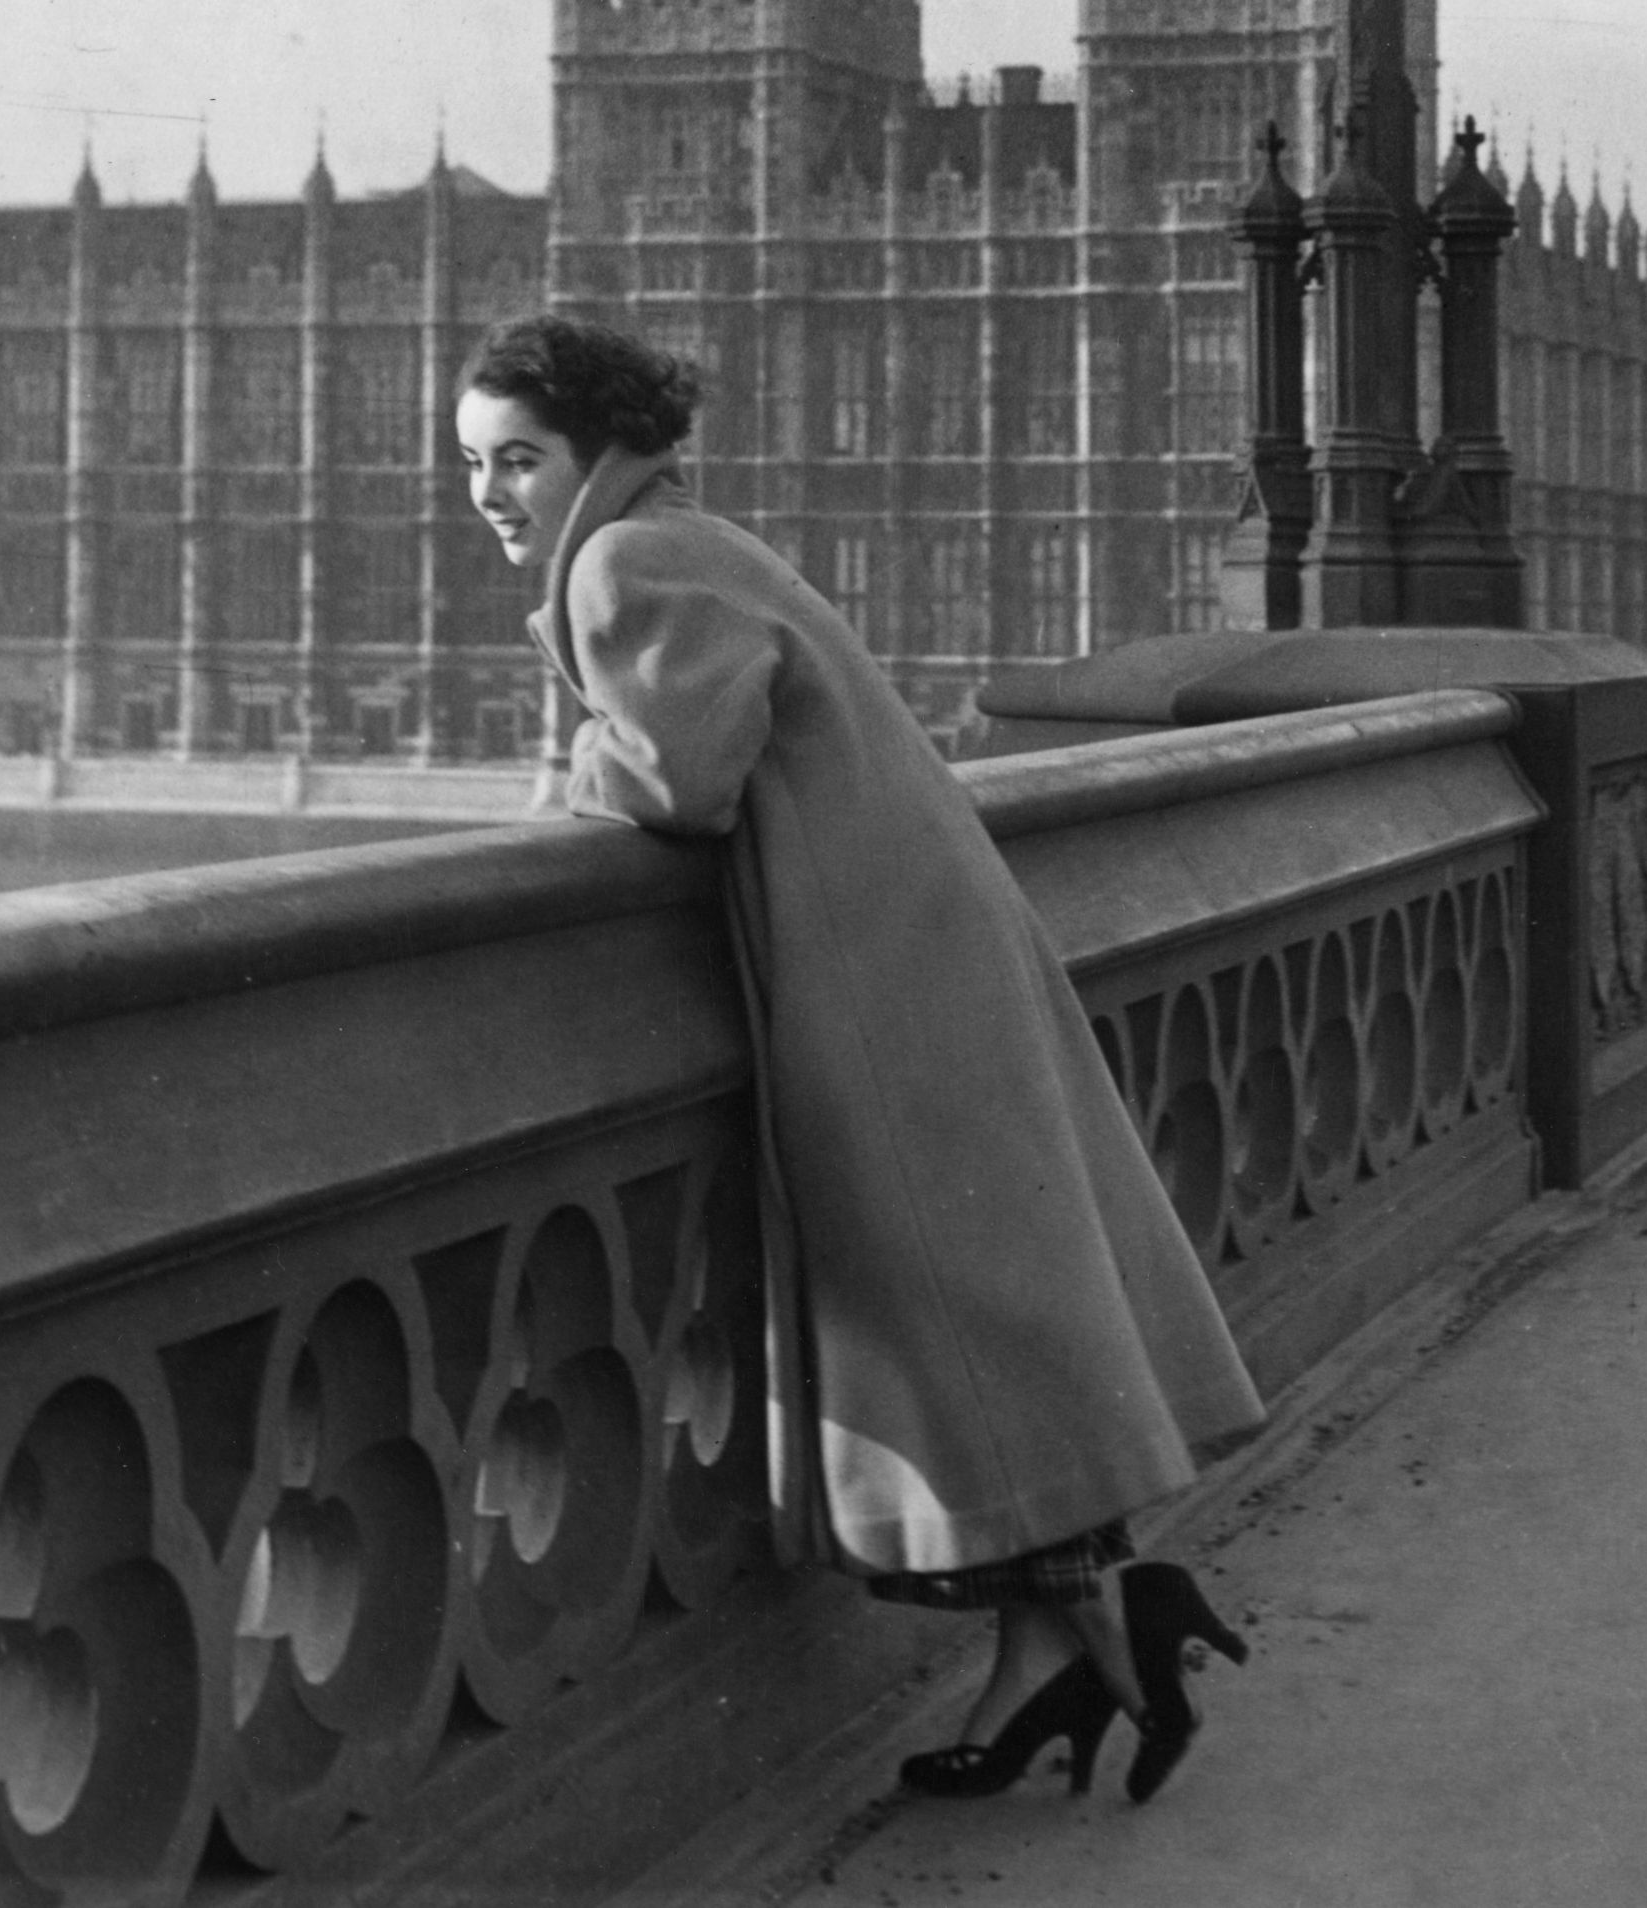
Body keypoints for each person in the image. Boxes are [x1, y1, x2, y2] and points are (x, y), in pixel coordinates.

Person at [456, 315, 1262, 1808]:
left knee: (957, 1317)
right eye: (472, 465)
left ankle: (1102, 1618)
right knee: (980, 1312)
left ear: (592, 454)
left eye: (518, 458)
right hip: (904, 940)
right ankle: (1067, 1639)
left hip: (875, 977)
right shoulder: (679, 532)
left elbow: (670, 785)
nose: (493, 492)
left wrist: (559, 770)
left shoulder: (623, 559)